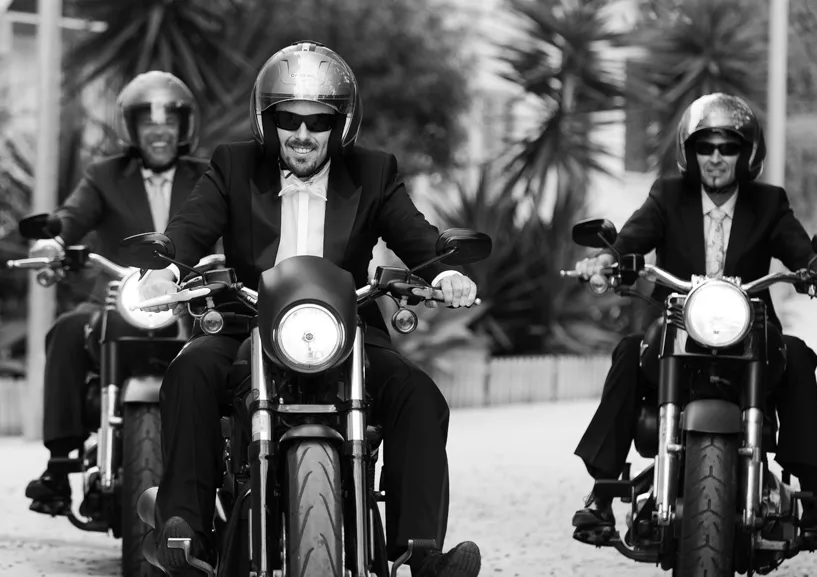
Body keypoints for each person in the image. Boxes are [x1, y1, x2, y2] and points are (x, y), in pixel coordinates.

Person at [137, 41, 483, 577]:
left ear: (341, 124)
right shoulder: (233, 165)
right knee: (189, 370)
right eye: (289, 119)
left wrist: (444, 273)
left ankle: (419, 551)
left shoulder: (373, 171)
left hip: (347, 331)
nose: (302, 134)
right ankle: (187, 535)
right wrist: (168, 267)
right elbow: (191, 226)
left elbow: (418, 237)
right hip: (248, 324)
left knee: (418, 393)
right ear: (267, 121)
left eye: (318, 121)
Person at [569, 93, 817, 539]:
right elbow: (631, 240)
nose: (716, 157)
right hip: (677, 326)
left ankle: (812, 497)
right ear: (690, 152)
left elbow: (800, 251)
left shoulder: (768, 202)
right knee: (629, 351)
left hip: (750, 330)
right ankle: (601, 495)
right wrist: (604, 262)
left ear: (747, 154)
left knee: (796, 354)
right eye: (706, 147)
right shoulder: (668, 195)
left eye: (728, 147)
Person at [24, 71, 208, 515]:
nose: (159, 131)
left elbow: (233, 220)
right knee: (68, 330)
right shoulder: (104, 175)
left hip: (188, 298)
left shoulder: (207, 175)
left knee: (231, 341)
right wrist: (54, 243)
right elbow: (73, 216)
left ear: (184, 126)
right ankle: (58, 466)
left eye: (169, 121)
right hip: (117, 297)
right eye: (148, 122)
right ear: (132, 128)